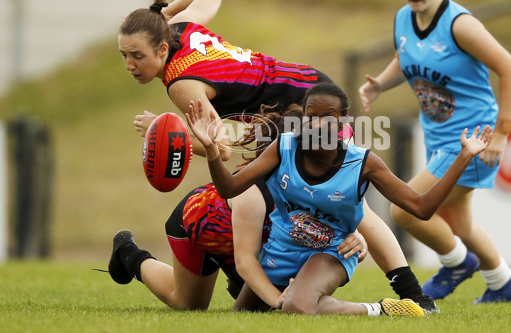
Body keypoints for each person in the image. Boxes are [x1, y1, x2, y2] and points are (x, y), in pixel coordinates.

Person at [118, 0, 438, 311]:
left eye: (137, 55)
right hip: (304, 87)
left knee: (348, 196)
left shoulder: (181, 82)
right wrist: (165, 15)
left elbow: (222, 148)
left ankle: (414, 295)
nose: (130, 65)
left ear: (161, 48)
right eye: (124, 56)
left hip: (302, 110)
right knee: (273, 201)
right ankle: (234, 275)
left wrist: (166, 132)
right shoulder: (180, 27)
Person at [187, 81, 492, 315]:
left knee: (295, 307)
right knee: (244, 315)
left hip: (333, 251)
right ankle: (313, 297)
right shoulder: (284, 147)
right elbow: (229, 189)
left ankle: (378, 310)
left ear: (344, 122)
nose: (319, 124)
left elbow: (421, 207)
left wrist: (464, 157)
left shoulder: (363, 163)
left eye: (329, 117)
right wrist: (212, 151)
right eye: (312, 116)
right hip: (281, 250)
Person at [358, 0, 511, 302]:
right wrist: (379, 86)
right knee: (460, 223)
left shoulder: (460, 25)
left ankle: (457, 264)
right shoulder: (404, 17)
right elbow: (406, 57)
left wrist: (501, 134)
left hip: (473, 140)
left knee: (405, 208)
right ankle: (503, 284)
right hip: (439, 138)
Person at [105, 106, 371, 310]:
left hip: (243, 241)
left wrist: (355, 240)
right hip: (197, 226)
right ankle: (129, 255)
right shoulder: (253, 192)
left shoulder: (307, 186)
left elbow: (322, 226)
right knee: (188, 304)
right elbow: (245, 261)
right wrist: (278, 300)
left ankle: (239, 285)